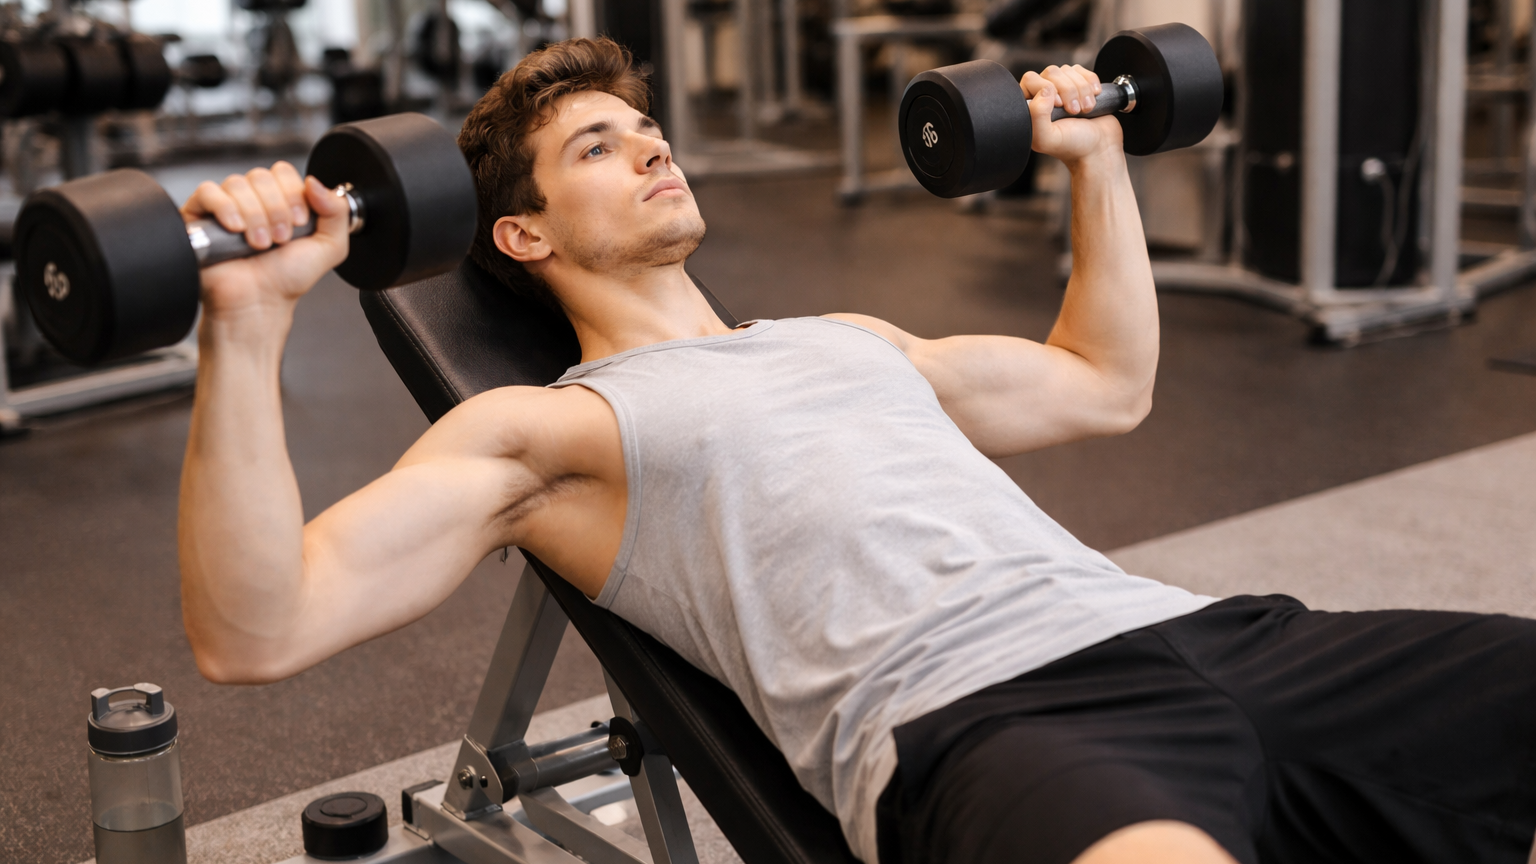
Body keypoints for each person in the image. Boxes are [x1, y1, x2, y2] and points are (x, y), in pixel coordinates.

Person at [175, 37, 1536, 864]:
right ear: (521, 235)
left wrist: (1094, 162)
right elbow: (260, 628)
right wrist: (243, 321)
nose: (654, 153)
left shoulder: (848, 336)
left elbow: (1103, 384)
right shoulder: (556, 428)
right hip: (993, 726)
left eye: (648, 133)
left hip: (1204, 637)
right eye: (601, 147)